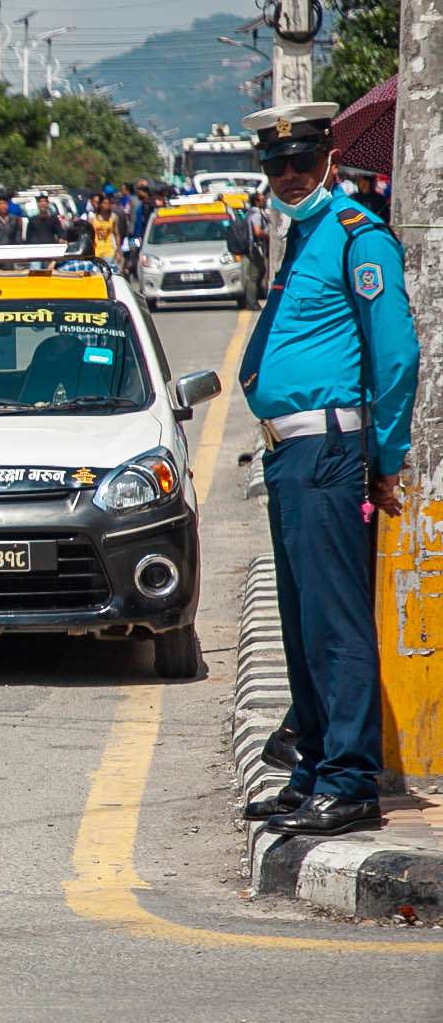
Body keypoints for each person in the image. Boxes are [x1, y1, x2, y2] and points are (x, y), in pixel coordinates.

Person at [235, 102, 420, 838]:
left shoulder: (356, 238)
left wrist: (386, 456)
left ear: (329, 160)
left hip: (328, 450)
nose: (287, 176)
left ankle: (348, 779)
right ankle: (312, 766)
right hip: (290, 454)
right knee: (300, 620)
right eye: (275, 165)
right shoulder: (303, 236)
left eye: (301, 162)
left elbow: (396, 356)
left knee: (335, 623)